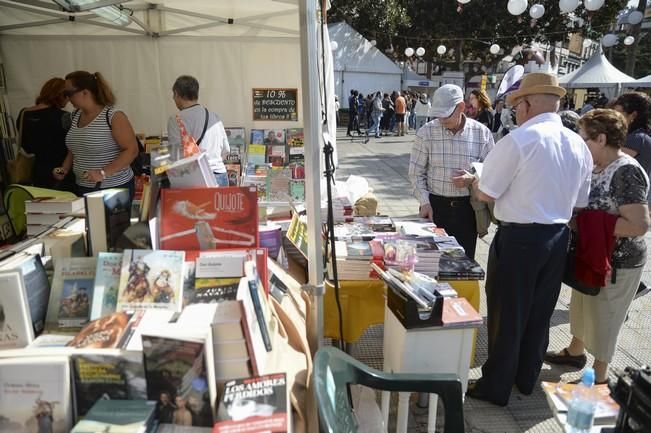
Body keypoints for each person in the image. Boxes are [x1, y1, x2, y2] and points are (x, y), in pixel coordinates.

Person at [468, 73, 593, 406]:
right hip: (557, 237)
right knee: (540, 315)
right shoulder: (577, 143)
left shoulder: (520, 140)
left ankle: (495, 386)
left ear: (526, 105)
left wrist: (480, 175)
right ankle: (526, 379)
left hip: (520, 239)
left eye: (517, 104)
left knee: (507, 315)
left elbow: (485, 191)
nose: (515, 111)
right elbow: (581, 201)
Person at [544, 109, 649, 384]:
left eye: (584, 139)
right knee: (581, 307)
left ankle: (599, 378)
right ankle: (575, 352)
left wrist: (592, 224)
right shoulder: (595, 164)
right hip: (593, 254)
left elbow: (639, 224)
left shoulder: (626, 172)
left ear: (601, 139)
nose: (580, 144)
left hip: (618, 262)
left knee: (606, 319)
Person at [408, 84, 494, 260]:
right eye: (438, 115)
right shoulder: (426, 132)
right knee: (431, 263)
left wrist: (472, 178)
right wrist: (424, 202)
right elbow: (416, 173)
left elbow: (492, 172)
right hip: (435, 208)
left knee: (463, 263)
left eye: (446, 114)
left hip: (467, 210)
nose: (441, 119)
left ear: (461, 107)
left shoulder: (481, 133)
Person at [54, 71, 139, 199]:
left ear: (85, 92)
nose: (66, 98)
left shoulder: (113, 116)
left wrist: (103, 173)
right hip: (82, 187)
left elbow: (131, 150)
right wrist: (64, 168)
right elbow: (75, 148)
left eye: (68, 93)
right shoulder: (75, 116)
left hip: (113, 188)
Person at [167, 75, 230, 186]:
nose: (173, 99)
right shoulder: (214, 117)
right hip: (220, 175)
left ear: (177, 93)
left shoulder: (176, 120)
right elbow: (226, 149)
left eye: (174, 95)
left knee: (196, 205)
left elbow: (176, 154)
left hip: (197, 179)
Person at [16, 77, 74, 191]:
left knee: (41, 205)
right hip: (60, 171)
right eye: (67, 96)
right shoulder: (64, 117)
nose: (68, 100)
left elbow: (25, 145)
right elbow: (72, 148)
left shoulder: (24, 113)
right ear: (60, 95)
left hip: (35, 172)